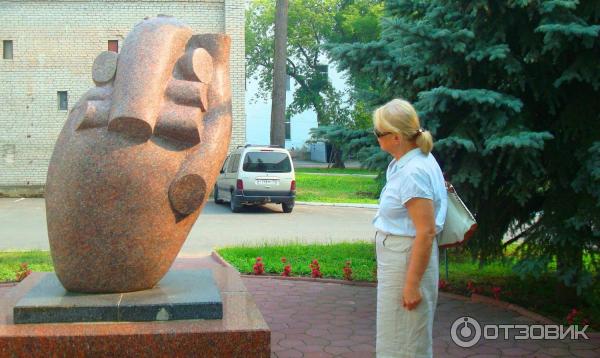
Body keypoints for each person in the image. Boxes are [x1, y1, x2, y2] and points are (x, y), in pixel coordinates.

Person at [372, 98, 447, 357]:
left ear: (396, 137)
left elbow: (425, 232)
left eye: (378, 133)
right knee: (396, 338)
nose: (375, 138)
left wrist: (412, 284)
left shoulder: (413, 172)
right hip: (399, 259)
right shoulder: (407, 162)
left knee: (405, 342)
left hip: (406, 260)